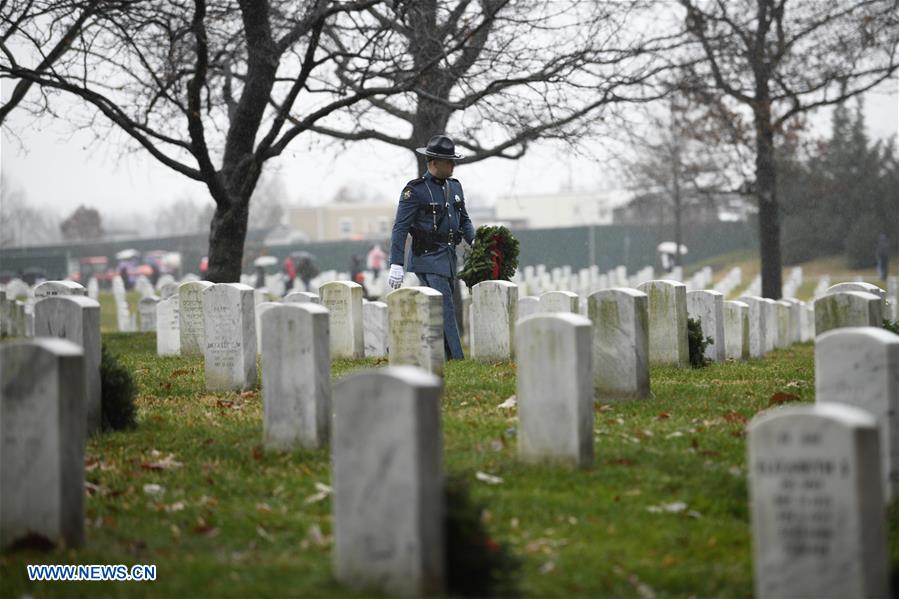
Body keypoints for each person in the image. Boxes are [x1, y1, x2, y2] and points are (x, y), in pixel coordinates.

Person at [388, 134, 475, 360]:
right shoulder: (415, 191)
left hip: (448, 258)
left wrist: (475, 241)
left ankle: (438, 355)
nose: (453, 165)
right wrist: (396, 263)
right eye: (449, 161)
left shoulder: (455, 187)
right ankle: (457, 358)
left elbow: (464, 220)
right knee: (444, 306)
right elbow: (400, 228)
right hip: (427, 258)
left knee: (438, 309)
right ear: (434, 162)